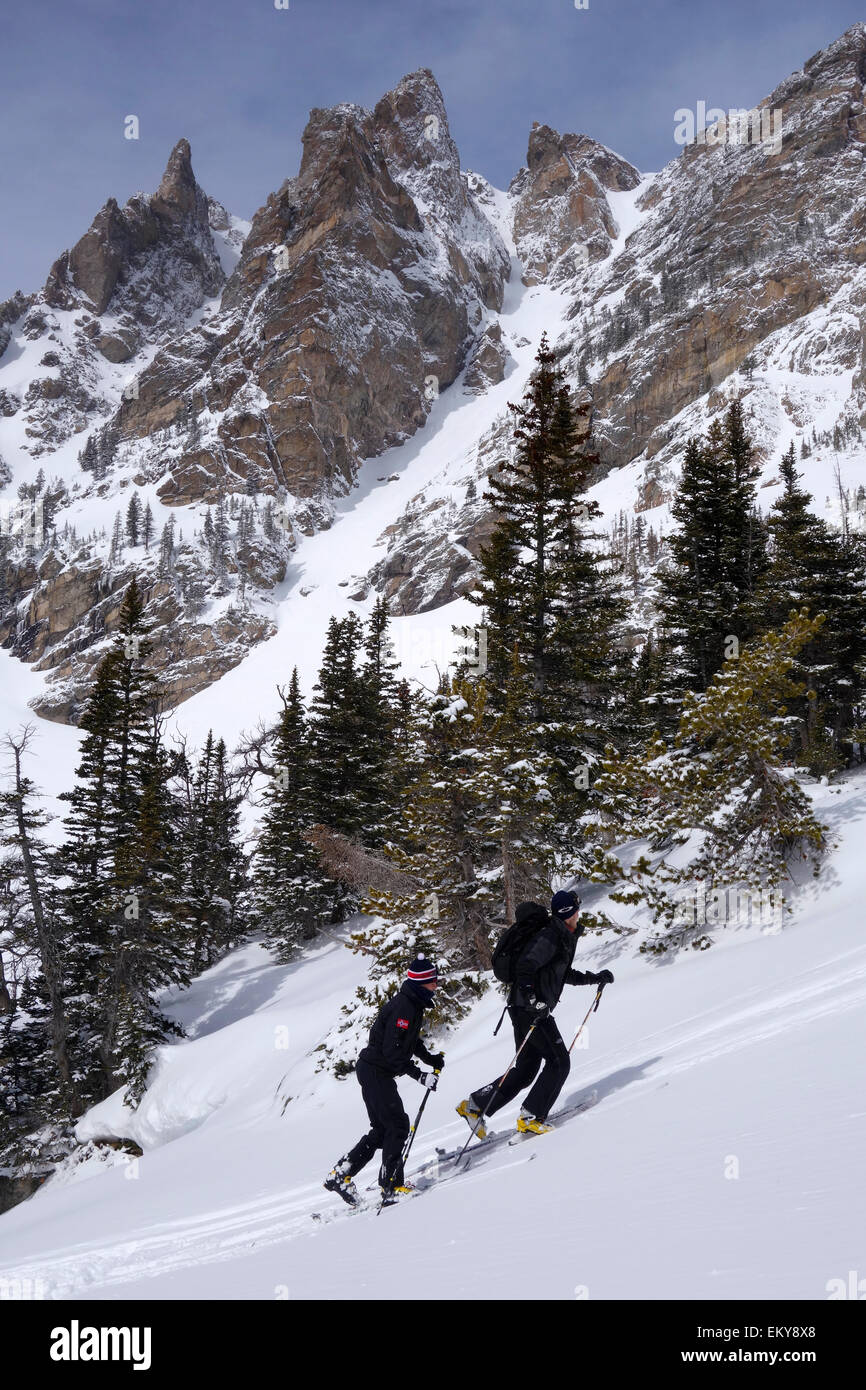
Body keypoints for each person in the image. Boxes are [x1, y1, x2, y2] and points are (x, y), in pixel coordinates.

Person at [457, 890, 613, 1137]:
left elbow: (560, 973)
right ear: (568, 913)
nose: (579, 912)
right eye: (575, 909)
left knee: (527, 1069)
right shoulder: (551, 936)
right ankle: (531, 1115)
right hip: (530, 1009)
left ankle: (476, 1105)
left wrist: (594, 978)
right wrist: (532, 999)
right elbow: (526, 966)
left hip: (523, 1008)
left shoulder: (561, 935)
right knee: (559, 1061)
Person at [324, 958, 445, 1204]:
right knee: (398, 1125)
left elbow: (409, 1041)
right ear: (422, 982)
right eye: (433, 980)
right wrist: (418, 1075)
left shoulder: (413, 1004)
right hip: (376, 1071)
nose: (437, 984)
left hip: (375, 1071)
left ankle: (342, 1174)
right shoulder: (405, 1007)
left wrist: (430, 1059)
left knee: (382, 1130)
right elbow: (393, 1050)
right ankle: (391, 1185)